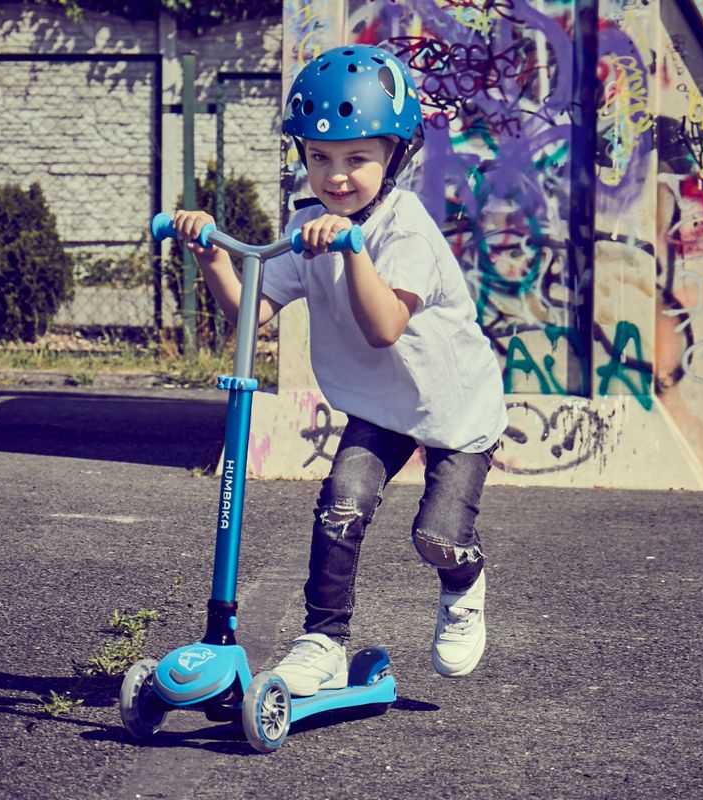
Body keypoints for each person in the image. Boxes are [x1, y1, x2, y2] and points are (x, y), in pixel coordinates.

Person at [171, 44, 508, 696]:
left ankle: (464, 584)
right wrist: (210, 252)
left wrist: (351, 249)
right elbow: (251, 312)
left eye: (357, 158)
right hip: (380, 408)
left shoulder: (404, 229)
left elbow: (384, 327)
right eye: (320, 158)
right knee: (340, 507)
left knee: (437, 536)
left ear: (395, 156)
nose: (338, 176)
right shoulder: (309, 224)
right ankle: (323, 641)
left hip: (455, 407)